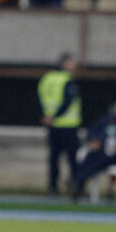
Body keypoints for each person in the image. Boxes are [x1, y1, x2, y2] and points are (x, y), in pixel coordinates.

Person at [69, 95, 116, 200]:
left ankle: (77, 181)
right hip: (101, 149)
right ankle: (77, 183)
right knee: (89, 158)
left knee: (97, 161)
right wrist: (95, 140)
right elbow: (92, 130)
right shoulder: (108, 119)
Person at [38, 53, 81, 196]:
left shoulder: (47, 78)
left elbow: (40, 98)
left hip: (52, 125)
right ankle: (75, 188)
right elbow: (68, 101)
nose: (74, 66)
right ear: (64, 64)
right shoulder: (67, 80)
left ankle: (53, 187)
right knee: (72, 159)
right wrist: (55, 116)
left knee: (54, 158)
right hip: (68, 125)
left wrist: (46, 116)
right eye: (71, 63)